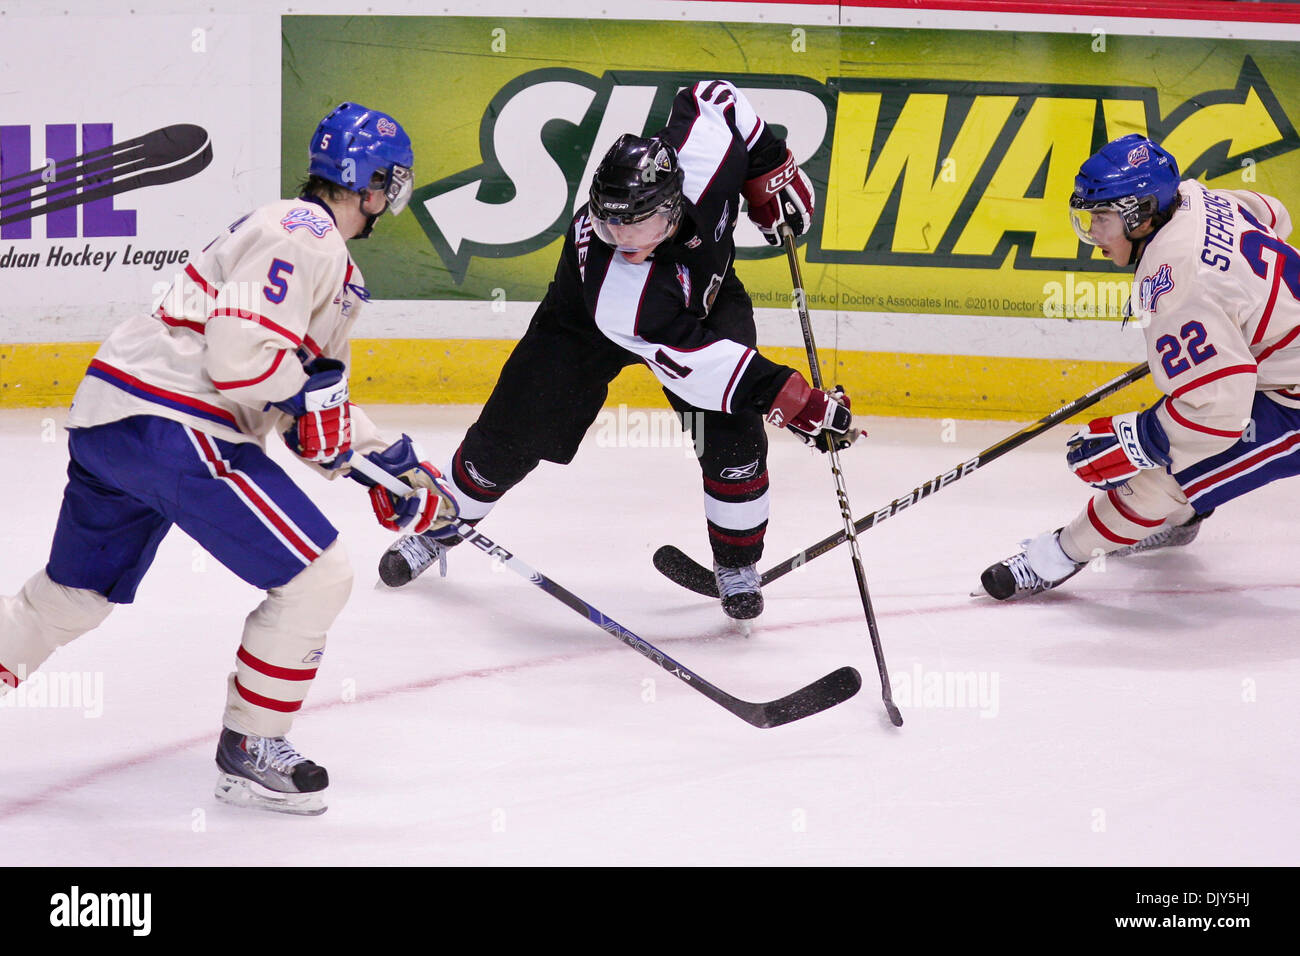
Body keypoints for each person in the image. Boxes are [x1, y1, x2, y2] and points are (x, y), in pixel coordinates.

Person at [0, 103, 451, 814]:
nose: (392, 196)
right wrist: (324, 421)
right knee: (318, 577)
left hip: (114, 423)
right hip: (178, 425)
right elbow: (242, 362)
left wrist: (391, 465)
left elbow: (312, 411)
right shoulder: (309, 237)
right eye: (390, 182)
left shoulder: (314, 251)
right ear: (368, 183)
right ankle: (251, 748)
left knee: (70, 596)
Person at [377, 79, 857, 620]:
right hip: (582, 325)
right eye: (608, 222)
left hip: (706, 295)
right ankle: (442, 526)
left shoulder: (702, 152)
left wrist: (770, 166)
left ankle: (737, 564)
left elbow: (714, 97)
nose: (621, 237)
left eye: (638, 222)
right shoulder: (619, 286)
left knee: (733, 439)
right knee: (509, 434)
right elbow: (703, 368)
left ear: (672, 204)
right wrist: (796, 401)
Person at [978, 133, 1298, 600]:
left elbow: (1218, 416)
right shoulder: (1194, 196)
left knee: (1165, 473)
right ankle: (1181, 519)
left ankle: (1057, 556)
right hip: (1280, 369)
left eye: (1102, 217)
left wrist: (1142, 437)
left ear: (1142, 214)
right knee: (1183, 424)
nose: (1093, 234)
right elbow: (1275, 216)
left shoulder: (1173, 278)